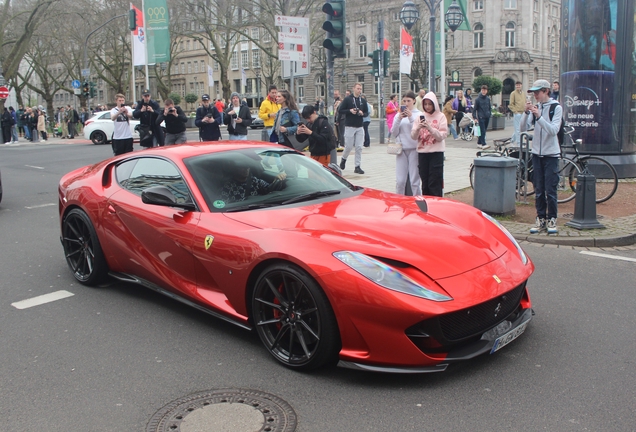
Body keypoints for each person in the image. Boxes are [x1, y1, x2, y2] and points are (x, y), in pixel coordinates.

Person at [520, 79, 563, 235]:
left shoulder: (556, 107)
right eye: (534, 92)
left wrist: (539, 117)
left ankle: (552, 219)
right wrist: (526, 113)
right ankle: (540, 218)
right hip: (537, 153)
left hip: (551, 154)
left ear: (546, 91)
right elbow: (523, 128)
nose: (535, 95)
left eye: (538, 92)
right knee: (538, 189)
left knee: (550, 189)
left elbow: (553, 130)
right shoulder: (537, 107)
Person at [410, 91, 447, 197]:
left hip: (436, 153)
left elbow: (441, 136)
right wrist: (418, 128)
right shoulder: (420, 117)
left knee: (434, 182)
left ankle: (437, 205)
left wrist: (430, 128)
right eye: (425, 104)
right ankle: (426, 204)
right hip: (422, 153)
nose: (427, 107)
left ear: (434, 104)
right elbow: (413, 136)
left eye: (430, 104)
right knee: (425, 182)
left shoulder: (441, 117)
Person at [391, 91, 422, 196]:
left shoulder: (418, 115)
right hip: (401, 150)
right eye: (404, 101)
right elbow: (394, 132)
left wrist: (410, 117)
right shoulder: (398, 115)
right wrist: (399, 118)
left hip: (414, 149)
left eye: (409, 101)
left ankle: (418, 201)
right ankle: (399, 201)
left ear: (414, 101)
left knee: (414, 181)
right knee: (400, 181)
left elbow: (418, 131)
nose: (406, 103)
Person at [221, 161, 287, 203]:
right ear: (235, 169)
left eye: (247, 167)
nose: (246, 170)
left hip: (259, 208)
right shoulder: (229, 186)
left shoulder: (254, 181)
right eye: (242, 168)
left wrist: (277, 179)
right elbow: (223, 204)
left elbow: (269, 189)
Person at [338, 83, 368, 174]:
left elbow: (367, 112)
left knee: (359, 147)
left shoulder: (362, 100)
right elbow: (340, 110)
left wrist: (363, 113)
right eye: (358, 88)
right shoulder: (348, 99)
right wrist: (350, 111)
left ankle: (357, 166)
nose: (359, 90)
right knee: (349, 146)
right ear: (353, 89)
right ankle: (343, 159)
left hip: (359, 126)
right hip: (349, 125)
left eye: (360, 89)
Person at [473, 85, 492, 150]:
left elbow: (489, 107)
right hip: (481, 117)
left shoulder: (488, 99)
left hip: (487, 116)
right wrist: (475, 117)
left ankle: (479, 142)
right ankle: (484, 144)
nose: (484, 91)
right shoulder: (477, 99)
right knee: (482, 130)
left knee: (484, 130)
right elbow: (474, 109)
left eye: (485, 90)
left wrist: (490, 114)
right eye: (483, 90)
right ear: (481, 90)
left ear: (487, 91)